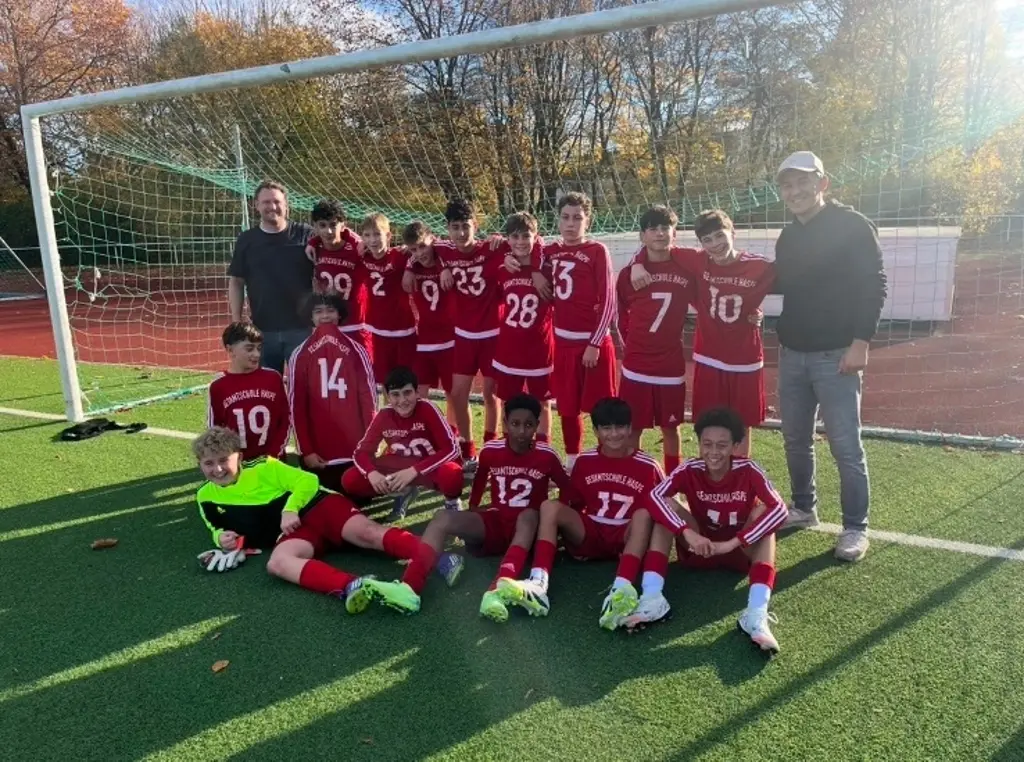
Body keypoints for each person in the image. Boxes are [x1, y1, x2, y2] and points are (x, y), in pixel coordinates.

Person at [774, 151, 887, 562]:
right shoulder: (788, 236)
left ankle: (856, 527)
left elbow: (874, 283)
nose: (795, 190)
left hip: (837, 354)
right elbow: (781, 283)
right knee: (794, 440)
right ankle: (804, 507)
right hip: (793, 355)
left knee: (845, 445)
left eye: (803, 181)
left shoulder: (852, 226)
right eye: (787, 184)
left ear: (823, 183)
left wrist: (861, 341)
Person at [191, 426, 430, 615]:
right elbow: (215, 526)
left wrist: (290, 509)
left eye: (224, 460)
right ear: (200, 464)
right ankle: (353, 586)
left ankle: (434, 555)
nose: (218, 469)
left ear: (239, 457)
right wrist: (221, 538)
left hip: (318, 506)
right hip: (294, 531)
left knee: (368, 535)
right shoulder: (205, 496)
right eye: (209, 463)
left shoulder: (264, 466)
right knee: (277, 564)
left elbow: (308, 480)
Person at [498, 397, 664, 630]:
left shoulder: (648, 465)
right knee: (549, 506)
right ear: (595, 430)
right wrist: (564, 534)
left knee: (644, 514)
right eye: (606, 428)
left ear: (629, 429)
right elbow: (571, 503)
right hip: (591, 533)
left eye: (619, 427)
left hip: (627, 538)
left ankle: (622, 587)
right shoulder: (585, 460)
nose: (613, 434)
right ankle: (538, 583)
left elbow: (663, 509)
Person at [403, 394, 571, 622]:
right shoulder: (491, 451)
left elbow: (567, 489)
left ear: (537, 426)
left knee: (530, 515)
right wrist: (473, 510)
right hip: (498, 523)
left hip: (528, 530)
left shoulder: (547, 455)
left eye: (528, 425)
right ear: (505, 424)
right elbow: (480, 483)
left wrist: (554, 525)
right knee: (442, 517)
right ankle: (409, 587)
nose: (521, 431)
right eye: (515, 424)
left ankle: (496, 591)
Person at [637, 407, 787, 652]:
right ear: (699, 443)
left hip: (740, 552)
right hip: (700, 547)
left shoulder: (748, 470)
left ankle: (755, 614)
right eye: (707, 444)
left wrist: (733, 542)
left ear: (735, 446)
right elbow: (653, 497)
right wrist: (687, 532)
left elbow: (780, 510)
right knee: (666, 505)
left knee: (764, 513)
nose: (713, 452)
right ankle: (652, 598)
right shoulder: (690, 469)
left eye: (722, 445)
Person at [629, 208, 774, 458]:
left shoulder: (760, 266)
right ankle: (707, 479)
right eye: (707, 240)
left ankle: (739, 476)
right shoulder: (698, 260)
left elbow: (796, 279)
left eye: (720, 236)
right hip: (709, 357)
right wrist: (636, 263)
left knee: (741, 424)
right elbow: (659, 245)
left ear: (733, 233)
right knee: (707, 423)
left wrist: (759, 313)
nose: (715, 244)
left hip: (745, 359)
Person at [506, 192, 617, 469]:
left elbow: (609, 299)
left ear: (587, 220)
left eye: (577, 218)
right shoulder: (550, 251)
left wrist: (595, 342)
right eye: (565, 217)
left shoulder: (597, 251)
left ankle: (607, 457)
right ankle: (572, 460)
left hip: (594, 344)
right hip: (563, 344)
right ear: (557, 219)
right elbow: (523, 244)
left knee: (601, 409)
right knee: (567, 408)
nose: (571, 224)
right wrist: (531, 268)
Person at [615, 205, 697, 473]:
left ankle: (673, 483)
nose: (660, 233)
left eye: (665, 228)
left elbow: (707, 300)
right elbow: (621, 315)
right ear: (642, 236)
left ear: (675, 232)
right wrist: (634, 344)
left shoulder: (687, 269)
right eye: (653, 229)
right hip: (637, 363)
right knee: (633, 427)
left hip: (669, 364)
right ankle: (631, 476)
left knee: (670, 428)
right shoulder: (630, 274)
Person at [430, 199, 503, 468]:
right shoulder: (443, 250)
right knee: (458, 393)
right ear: (448, 228)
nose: (461, 233)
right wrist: (443, 267)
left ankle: (492, 446)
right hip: (464, 335)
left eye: (466, 226)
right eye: (455, 227)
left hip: (493, 333)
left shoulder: (491, 247)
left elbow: (530, 240)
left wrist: (501, 237)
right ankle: (468, 448)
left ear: (476, 225)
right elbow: (418, 247)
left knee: (491, 394)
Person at [342, 366, 464, 521]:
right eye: (395, 395)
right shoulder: (384, 415)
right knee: (350, 479)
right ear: (387, 396)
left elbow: (451, 449)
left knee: (451, 474)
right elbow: (361, 453)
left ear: (417, 392)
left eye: (407, 393)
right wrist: (371, 473)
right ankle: (404, 491)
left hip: (429, 466)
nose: (402, 400)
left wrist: (414, 470)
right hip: (400, 465)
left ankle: (452, 502)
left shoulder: (427, 409)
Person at [287, 291, 377, 491]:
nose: (325, 316)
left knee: (357, 493)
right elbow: (296, 406)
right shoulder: (299, 354)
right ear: (310, 317)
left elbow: (368, 399)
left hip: (353, 450)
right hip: (319, 455)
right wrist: (307, 451)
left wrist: (369, 446)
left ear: (339, 315)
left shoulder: (357, 350)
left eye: (330, 310)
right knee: (322, 499)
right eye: (318, 312)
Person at [228, 180, 314, 373]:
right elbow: (236, 281)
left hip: (301, 329)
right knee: (266, 390)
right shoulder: (246, 240)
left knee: (303, 387)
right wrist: (236, 320)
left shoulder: (306, 234)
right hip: (262, 330)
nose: (272, 207)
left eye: (277, 201)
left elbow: (335, 242)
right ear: (257, 205)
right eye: (266, 202)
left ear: (286, 205)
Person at [491, 212, 554, 440]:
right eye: (515, 237)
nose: (520, 242)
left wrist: (537, 269)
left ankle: (544, 449)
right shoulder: (503, 269)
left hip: (540, 350)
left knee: (543, 404)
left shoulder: (547, 269)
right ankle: (509, 448)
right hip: (509, 349)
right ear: (508, 239)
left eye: (526, 236)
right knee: (508, 403)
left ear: (535, 236)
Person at [206, 322, 290, 462]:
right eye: (249, 349)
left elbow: (285, 419)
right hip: (238, 465)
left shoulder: (273, 378)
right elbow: (215, 430)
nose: (256, 354)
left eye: (259, 348)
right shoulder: (218, 386)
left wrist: (273, 454)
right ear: (230, 350)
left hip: (273, 461)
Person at [402, 221, 457, 428]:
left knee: (455, 395)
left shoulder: (448, 257)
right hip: (425, 340)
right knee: (418, 394)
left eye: (423, 246)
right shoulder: (411, 263)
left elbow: (463, 249)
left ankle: (455, 436)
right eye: (414, 249)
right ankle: (423, 433)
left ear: (433, 239)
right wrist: (409, 266)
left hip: (451, 339)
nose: (420, 253)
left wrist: (444, 267)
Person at [306, 199, 370, 353]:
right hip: (328, 325)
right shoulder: (314, 249)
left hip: (356, 325)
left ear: (343, 224)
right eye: (322, 225)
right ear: (315, 226)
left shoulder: (359, 248)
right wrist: (312, 242)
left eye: (333, 225)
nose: (328, 231)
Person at [360, 213, 417, 384]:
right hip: (376, 331)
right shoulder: (362, 256)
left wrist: (410, 266)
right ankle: (388, 411)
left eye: (377, 234)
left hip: (404, 330)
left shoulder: (400, 256)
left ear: (389, 235)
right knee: (384, 382)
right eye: (367, 235)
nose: (373, 240)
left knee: (407, 380)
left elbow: (429, 245)